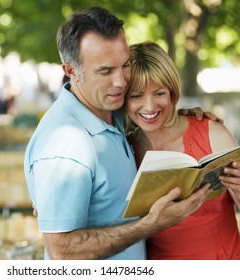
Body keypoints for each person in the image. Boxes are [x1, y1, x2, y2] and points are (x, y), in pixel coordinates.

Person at [24, 6, 217, 260]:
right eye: (105, 71)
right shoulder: (65, 144)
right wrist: (151, 224)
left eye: (125, 65)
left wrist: (179, 115)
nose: (121, 81)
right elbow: (63, 250)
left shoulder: (113, 113)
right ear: (71, 71)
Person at [124, 41, 240, 259]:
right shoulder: (122, 148)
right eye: (136, 95)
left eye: (159, 93)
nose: (149, 107)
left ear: (173, 92)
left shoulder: (213, 133)